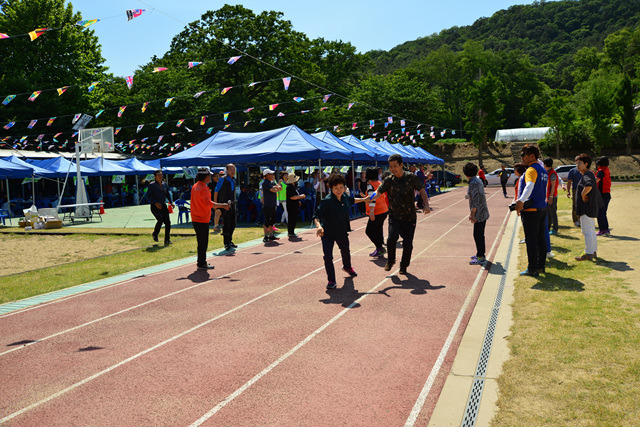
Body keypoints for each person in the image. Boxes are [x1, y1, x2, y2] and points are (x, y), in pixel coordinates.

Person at [373, 154, 431, 275]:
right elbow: (378, 191)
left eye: (395, 166)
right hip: (394, 216)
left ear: (401, 165)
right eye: (390, 166)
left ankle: (404, 265)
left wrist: (426, 205)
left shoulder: (410, 177)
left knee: (407, 243)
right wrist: (371, 197)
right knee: (391, 239)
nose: (393, 169)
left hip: (409, 217)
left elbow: (422, 190)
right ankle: (390, 260)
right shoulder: (389, 180)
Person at [314, 173, 367, 289]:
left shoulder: (345, 197)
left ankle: (347, 267)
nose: (339, 190)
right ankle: (331, 280)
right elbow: (316, 216)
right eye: (336, 188)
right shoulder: (326, 201)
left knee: (346, 251)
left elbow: (353, 200)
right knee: (328, 257)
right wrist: (319, 227)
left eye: (341, 187)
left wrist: (364, 199)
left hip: (341, 231)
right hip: (327, 233)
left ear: (344, 187)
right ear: (330, 188)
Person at [515, 145, 548, 277]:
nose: (522, 158)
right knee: (541, 239)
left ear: (532, 156)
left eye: (523, 155)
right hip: (541, 207)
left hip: (531, 209)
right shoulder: (543, 170)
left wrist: (521, 201)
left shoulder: (531, 169)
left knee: (531, 240)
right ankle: (540, 266)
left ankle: (532, 268)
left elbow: (529, 186)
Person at [191, 167, 231, 270]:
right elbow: (208, 203)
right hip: (202, 218)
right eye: (209, 175)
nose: (211, 177)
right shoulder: (203, 188)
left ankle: (201, 262)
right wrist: (223, 205)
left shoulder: (195, 186)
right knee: (203, 242)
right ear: (205, 177)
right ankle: (201, 263)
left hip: (196, 217)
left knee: (201, 242)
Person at [575, 153, 601, 261]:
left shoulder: (587, 175)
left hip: (586, 208)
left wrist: (582, 194)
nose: (577, 165)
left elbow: (589, 185)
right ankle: (592, 251)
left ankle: (589, 253)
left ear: (586, 164)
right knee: (590, 231)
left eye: (579, 163)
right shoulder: (588, 174)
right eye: (576, 163)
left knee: (587, 231)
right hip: (590, 208)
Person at [464, 162, 490, 265]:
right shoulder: (477, 180)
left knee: (478, 235)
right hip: (482, 211)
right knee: (479, 234)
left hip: (479, 212)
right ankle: (480, 253)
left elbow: (476, 199)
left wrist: (472, 213)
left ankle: (481, 256)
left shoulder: (473, 183)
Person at [362, 167, 389, 257]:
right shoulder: (380, 183)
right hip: (384, 210)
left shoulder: (370, 185)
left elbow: (372, 199)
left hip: (376, 211)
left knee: (369, 231)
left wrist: (371, 212)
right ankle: (379, 248)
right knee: (378, 229)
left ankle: (380, 248)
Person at [146, 170, 174, 244]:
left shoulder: (165, 184)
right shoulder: (151, 185)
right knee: (160, 220)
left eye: (161, 175)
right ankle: (155, 234)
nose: (160, 176)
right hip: (154, 206)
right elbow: (148, 196)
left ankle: (167, 240)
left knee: (168, 222)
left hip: (163, 205)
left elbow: (167, 194)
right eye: (159, 175)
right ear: (155, 176)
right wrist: (155, 203)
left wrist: (171, 202)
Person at [214, 164, 237, 251]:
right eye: (231, 169)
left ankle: (230, 241)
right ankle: (226, 243)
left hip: (233, 204)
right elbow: (216, 191)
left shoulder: (234, 180)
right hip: (224, 205)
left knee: (233, 224)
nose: (232, 171)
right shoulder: (222, 179)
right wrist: (216, 204)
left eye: (233, 169)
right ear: (227, 170)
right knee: (227, 224)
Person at [262, 169, 282, 243]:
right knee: (267, 220)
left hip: (273, 204)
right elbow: (274, 190)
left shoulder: (272, 182)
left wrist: (275, 187)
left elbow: (280, 188)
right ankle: (265, 236)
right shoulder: (265, 183)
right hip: (267, 204)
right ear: (267, 175)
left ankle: (271, 235)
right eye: (270, 174)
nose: (272, 175)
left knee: (272, 220)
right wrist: (276, 187)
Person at [285, 173, 306, 238]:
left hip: (294, 205)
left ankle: (292, 232)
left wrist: (298, 201)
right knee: (291, 219)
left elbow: (295, 196)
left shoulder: (293, 186)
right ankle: (290, 232)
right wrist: (301, 196)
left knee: (294, 219)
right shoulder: (289, 187)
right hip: (291, 206)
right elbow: (292, 197)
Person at [595, 156, 612, 236]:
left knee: (600, 213)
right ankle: (605, 229)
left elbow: (596, 180)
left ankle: (603, 229)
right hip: (606, 194)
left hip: (602, 194)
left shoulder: (601, 171)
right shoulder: (606, 169)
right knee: (603, 212)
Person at [544, 158, 559, 235]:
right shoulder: (548, 172)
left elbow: (553, 186)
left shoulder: (552, 173)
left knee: (553, 213)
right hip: (548, 196)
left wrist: (551, 196)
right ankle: (548, 227)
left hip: (552, 196)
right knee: (548, 213)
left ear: (545, 164)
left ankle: (555, 229)